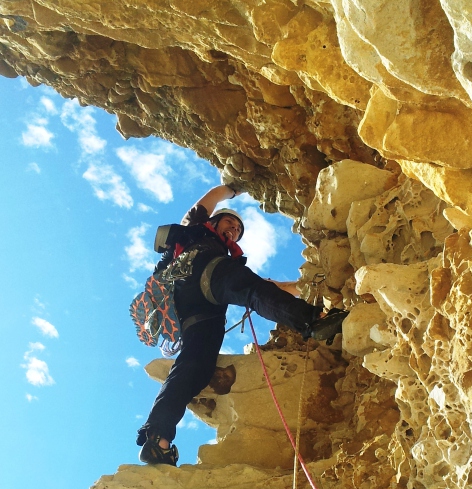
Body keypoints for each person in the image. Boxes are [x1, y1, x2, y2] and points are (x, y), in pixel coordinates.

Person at [137, 183, 347, 465]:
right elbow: (207, 201)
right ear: (213, 222)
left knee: (194, 366)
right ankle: (315, 321)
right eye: (229, 222)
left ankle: (158, 440)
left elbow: (270, 288)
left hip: (193, 310)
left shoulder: (222, 256)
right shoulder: (197, 231)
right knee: (250, 289)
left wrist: (305, 284)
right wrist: (234, 187)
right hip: (201, 273)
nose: (234, 230)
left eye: (238, 229)